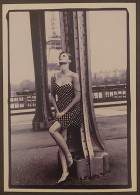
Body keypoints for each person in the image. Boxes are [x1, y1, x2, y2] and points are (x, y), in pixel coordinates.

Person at [49, 51, 83, 184]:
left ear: (69, 60)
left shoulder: (74, 76)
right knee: (61, 139)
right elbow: (51, 96)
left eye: (64, 56)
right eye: (60, 56)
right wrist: (57, 110)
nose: (61, 57)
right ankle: (65, 172)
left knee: (52, 130)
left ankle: (69, 156)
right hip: (60, 111)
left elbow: (78, 97)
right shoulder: (54, 76)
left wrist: (64, 112)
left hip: (73, 110)